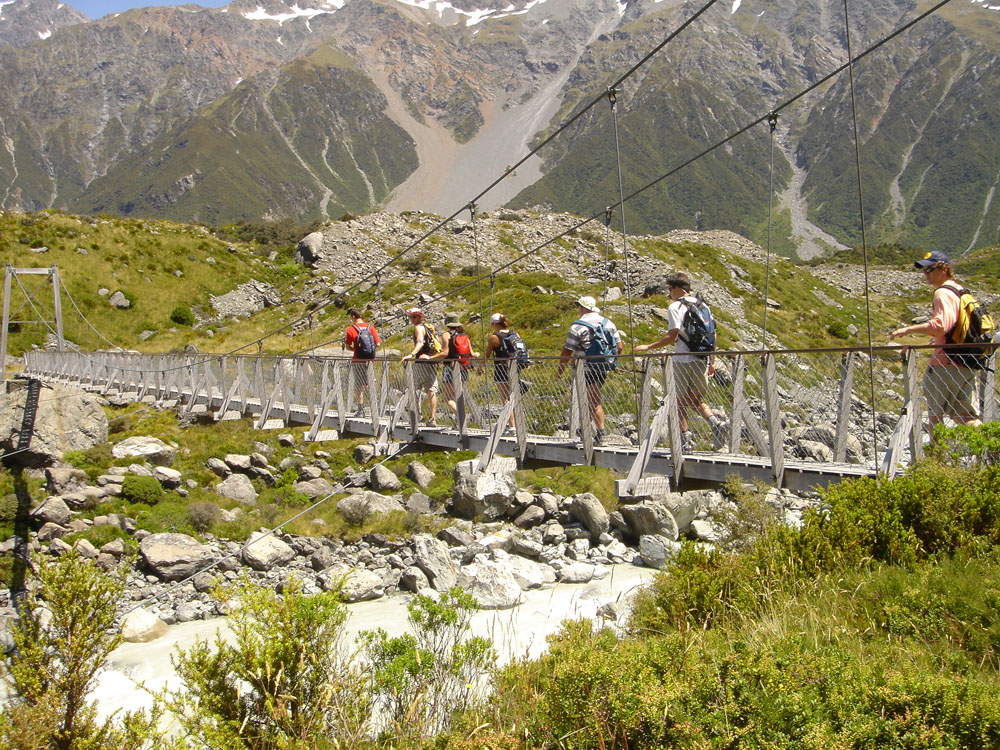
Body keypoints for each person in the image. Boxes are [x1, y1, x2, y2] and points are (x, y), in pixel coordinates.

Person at [889, 251, 982, 431]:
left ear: (944, 268)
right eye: (924, 270)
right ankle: (991, 446)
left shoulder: (942, 293)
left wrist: (908, 329)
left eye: (930, 269)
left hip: (944, 363)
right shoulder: (960, 291)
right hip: (966, 362)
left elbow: (940, 325)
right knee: (964, 415)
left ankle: (935, 457)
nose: (926, 274)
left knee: (935, 415)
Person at [634, 272, 727, 451]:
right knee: (695, 398)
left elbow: (672, 336)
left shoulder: (675, 307)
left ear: (677, 288)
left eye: (670, 289)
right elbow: (713, 335)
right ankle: (716, 424)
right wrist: (712, 362)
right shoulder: (703, 305)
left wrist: (648, 347)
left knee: (678, 401)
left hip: (683, 359)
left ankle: (685, 440)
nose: (669, 292)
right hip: (702, 358)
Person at [557, 296, 622, 445]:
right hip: (603, 367)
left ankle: (600, 433)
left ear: (582, 308)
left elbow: (567, 351)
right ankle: (584, 429)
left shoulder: (577, 326)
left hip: (586, 368)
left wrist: (561, 369)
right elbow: (619, 347)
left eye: (579, 307)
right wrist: (611, 360)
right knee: (589, 397)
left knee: (592, 400)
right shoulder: (609, 323)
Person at [426, 312, 479, 419]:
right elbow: (472, 354)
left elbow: (445, 353)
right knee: (458, 395)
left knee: (449, 398)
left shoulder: (446, 334)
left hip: (450, 368)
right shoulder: (464, 335)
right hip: (463, 367)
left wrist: (430, 358)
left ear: (447, 323)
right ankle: (459, 422)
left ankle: (461, 416)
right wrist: (477, 354)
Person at [482, 312, 524, 432]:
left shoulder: (494, 337)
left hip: (501, 368)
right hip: (515, 367)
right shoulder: (515, 333)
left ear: (495, 324)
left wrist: (480, 367)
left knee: (505, 397)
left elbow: (487, 355)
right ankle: (517, 424)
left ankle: (512, 426)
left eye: (491, 324)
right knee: (513, 396)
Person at [401, 307, 439, 426]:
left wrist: (411, 355)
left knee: (414, 389)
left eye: (413, 317)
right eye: (410, 317)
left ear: (419, 317)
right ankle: (432, 418)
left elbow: (420, 342)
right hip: (431, 363)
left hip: (420, 363)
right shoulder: (428, 327)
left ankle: (418, 415)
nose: (411, 319)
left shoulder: (418, 328)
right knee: (431, 390)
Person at [343, 307, 380, 414]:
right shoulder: (370, 327)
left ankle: (361, 409)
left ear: (353, 316)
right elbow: (377, 344)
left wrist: (356, 349)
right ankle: (374, 407)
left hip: (357, 360)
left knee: (358, 384)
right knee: (369, 383)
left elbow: (347, 346)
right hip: (370, 361)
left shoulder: (351, 329)